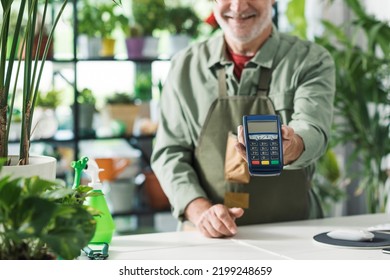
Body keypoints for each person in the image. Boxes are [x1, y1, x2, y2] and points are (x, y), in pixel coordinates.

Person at [151, 0, 335, 238]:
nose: (238, 6)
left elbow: (312, 129)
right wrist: (201, 212)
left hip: (294, 234)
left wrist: (292, 146)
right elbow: (169, 152)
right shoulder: (184, 66)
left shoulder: (310, 60)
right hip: (206, 239)